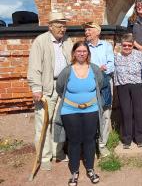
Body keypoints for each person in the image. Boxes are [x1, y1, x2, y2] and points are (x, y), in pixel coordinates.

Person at [27, 12, 72, 171]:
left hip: (63, 87)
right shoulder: (41, 41)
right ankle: (44, 157)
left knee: (60, 121)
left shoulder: (67, 41)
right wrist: (36, 88)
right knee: (43, 123)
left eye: (64, 26)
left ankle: (57, 152)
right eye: (59, 26)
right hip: (46, 88)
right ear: (50, 27)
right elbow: (34, 67)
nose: (63, 29)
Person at [55, 41, 103, 186]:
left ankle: (90, 169)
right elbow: (60, 88)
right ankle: (74, 172)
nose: (81, 53)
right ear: (74, 53)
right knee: (74, 141)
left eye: (84, 51)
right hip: (70, 110)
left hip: (91, 109)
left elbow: (99, 85)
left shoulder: (94, 69)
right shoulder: (67, 71)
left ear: (88, 53)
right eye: (79, 51)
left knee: (89, 140)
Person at [82, 21, 114, 157]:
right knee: (90, 114)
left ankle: (102, 144)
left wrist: (98, 69)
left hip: (105, 82)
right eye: (85, 31)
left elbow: (111, 65)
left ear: (97, 32)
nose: (86, 33)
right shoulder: (84, 47)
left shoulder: (106, 46)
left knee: (106, 114)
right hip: (88, 83)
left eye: (89, 30)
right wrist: (97, 69)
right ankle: (90, 145)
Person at [114, 33, 142, 149]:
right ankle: (127, 139)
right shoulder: (116, 56)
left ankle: (140, 138)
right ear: (121, 45)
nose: (127, 47)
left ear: (133, 45)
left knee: (138, 111)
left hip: (137, 84)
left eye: (129, 45)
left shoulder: (139, 54)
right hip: (122, 86)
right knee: (126, 112)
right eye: (125, 45)